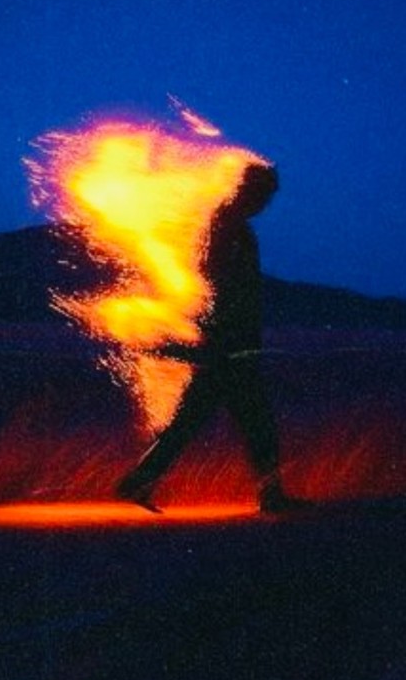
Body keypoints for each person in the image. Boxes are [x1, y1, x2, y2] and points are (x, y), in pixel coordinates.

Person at [115, 163, 307, 516]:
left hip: (228, 344)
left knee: (198, 420)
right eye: (264, 194)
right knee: (254, 422)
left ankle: (139, 481)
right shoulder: (226, 228)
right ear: (248, 190)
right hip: (229, 347)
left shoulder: (229, 226)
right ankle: (271, 497)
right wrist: (223, 335)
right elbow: (218, 287)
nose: (266, 202)